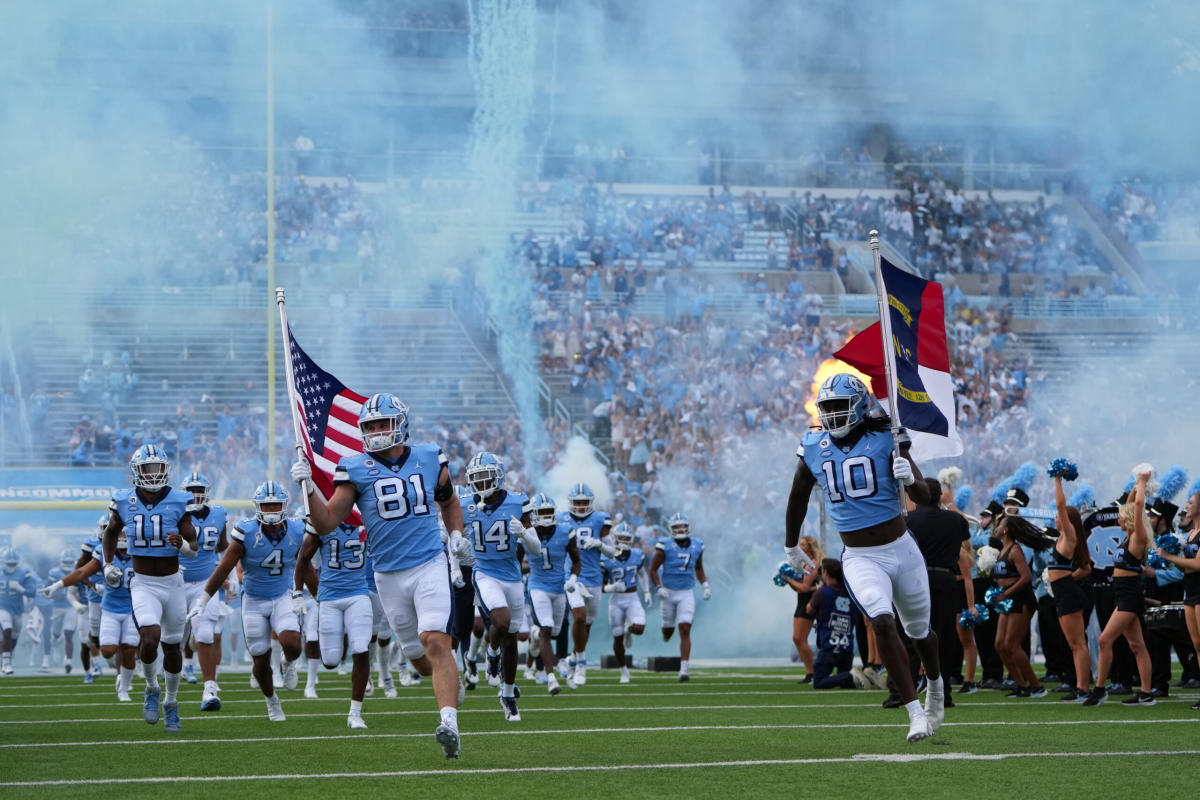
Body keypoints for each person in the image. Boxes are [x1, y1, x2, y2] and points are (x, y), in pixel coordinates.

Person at [290, 393, 468, 759]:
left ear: (401, 424)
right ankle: (450, 679)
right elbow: (325, 522)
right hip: (387, 574)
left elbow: (448, 500)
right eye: (369, 426)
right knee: (419, 656)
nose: (376, 432)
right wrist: (308, 488)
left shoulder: (429, 456)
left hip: (429, 563)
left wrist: (456, 536)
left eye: (382, 424)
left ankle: (449, 724)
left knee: (436, 641)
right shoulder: (355, 468)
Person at [785, 373, 942, 743]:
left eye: (840, 406)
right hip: (859, 556)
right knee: (882, 623)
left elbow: (923, 497)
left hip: (902, 549)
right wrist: (790, 543)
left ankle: (935, 686)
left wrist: (910, 479)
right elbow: (798, 496)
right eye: (828, 408)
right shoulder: (812, 444)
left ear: (858, 406)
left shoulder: (886, 436)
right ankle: (913, 712)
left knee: (920, 632)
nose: (833, 415)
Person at [189, 480, 311, 722]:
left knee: (293, 643)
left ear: (285, 505)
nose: (272, 510)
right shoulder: (246, 531)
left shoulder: (297, 529)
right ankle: (272, 702)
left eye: (276, 504)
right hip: (254, 600)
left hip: (281, 595)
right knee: (260, 660)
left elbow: (305, 565)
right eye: (266, 506)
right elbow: (223, 568)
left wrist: (307, 594)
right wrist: (203, 600)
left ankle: (288, 663)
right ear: (258, 507)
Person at [102, 444, 198, 733]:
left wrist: (180, 544)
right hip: (143, 583)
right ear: (136, 472)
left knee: (172, 646)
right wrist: (108, 564)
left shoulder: (180, 500)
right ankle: (151, 687)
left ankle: (171, 702)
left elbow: (193, 548)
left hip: (173, 583)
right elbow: (109, 533)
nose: (154, 474)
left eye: (158, 468)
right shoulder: (123, 500)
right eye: (148, 469)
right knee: (149, 637)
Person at [460, 451, 538, 721]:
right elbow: (451, 534)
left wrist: (525, 535)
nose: (481, 484)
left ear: (498, 476)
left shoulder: (518, 502)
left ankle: (506, 693)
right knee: (501, 622)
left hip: (512, 576)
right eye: (476, 479)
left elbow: (536, 549)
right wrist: (456, 549)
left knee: (511, 638)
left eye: (485, 478)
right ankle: (491, 654)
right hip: (484, 572)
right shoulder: (464, 504)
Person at [1084, 469, 1155, 706]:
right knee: (1137, 645)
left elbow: (1137, 506)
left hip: (1129, 596)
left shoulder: (1137, 537)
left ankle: (1100, 689)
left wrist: (1143, 484)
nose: (1117, 517)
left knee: (1105, 640)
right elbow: (1130, 502)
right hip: (1122, 594)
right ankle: (1146, 693)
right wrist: (1135, 485)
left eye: (1120, 515)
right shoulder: (1126, 538)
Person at [40, 530, 138, 701]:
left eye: (125, 545)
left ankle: (123, 688)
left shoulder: (141, 554)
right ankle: (110, 669)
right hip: (110, 608)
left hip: (132, 608)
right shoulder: (103, 554)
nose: (124, 550)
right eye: (120, 546)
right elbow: (80, 573)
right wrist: (57, 586)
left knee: (129, 648)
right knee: (107, 651)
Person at [294, 521, 373, 728]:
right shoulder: (323, 521)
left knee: (361, 647)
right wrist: (297, 591)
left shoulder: (368, 517)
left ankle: (355, 714)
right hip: (328, 596)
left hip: (358, 593)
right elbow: (303, 557)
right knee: (330, 661)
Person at [906, 476, 969, 701]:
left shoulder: (908, 520)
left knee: (912, 635)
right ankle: (944, 692)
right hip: (946, 580)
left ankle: (905, 691)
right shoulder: (954, 520)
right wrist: (951, 503)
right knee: (945, 637)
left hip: (916, 581)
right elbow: (965, 529)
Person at [179, 472, 230, 711]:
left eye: (199, 490)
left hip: (205, 582)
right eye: (191, 491)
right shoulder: (175, 512)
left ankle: (209, 689)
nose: (195, 495)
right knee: (169, 636)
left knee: (207, 633)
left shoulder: (218, 514)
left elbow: (223, 547)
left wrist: (229, 575)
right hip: (175, 581)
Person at [525, 492, 581, 695]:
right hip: (538, 587)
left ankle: (534, 634)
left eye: (549, 511)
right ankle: (551, 678)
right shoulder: (527, 534)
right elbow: (515, 560)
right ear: (534, 514)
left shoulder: (566, 532)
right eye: (542, 512)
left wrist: (573, 579)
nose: (546, 515)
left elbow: (576, 560)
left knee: (555, 632)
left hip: (559, 589)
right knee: (547, 630)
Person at [560, 482, 615, 687]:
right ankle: (581, 664)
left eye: (584, 502)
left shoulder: (600, 519)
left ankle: (572, 658)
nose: (581, 506)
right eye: (577, 502)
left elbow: (613, 552)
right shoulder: (561, 519)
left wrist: (599, 543)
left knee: (586, 625)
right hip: (572, 576)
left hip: (594, 577)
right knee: (580, 616)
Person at [991, 512, 1049, 697]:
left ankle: (1036, 686)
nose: (997, 527)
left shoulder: (1015, 550)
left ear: (1006, 530)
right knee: (1000, 644)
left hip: (1021, 599)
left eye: (1000, 524)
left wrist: (1006, 592)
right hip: (1007, 600)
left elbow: (1026, 578)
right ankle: (1020, 685)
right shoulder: (1002, 550)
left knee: (1012, 645)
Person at [649, 511, 710, 682]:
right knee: (668, 631)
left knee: (684, 628)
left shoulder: (697, 544)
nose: (680, 529)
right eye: (677, 527)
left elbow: (698, 567)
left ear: (688, 527)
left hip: (686, 592)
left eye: (682, 526)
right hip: (668, 592)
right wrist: (658, 587)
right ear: (671, 529)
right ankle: (667, 632)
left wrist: (705, 584)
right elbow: (653, 569)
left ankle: (683, 670)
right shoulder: (665, 545)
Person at [1050, 472, 1094, 701]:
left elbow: (1060, 504)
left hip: (1067, 593)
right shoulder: (1062, 538)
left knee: (1078, 643)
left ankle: (1083, 688)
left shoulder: (1069, 536)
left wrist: (1057, 480)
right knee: (1074, 643)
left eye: (1060, 517)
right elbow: (1084, 568)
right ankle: (1081, 686)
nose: (1056, 518)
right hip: (1064, 591)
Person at [1160, 485, 1200, 708]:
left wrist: (1170, 558)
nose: (1186, 507)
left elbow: (1197, 564)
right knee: (1197, 644)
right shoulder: (1190, 534)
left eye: (1191, 503)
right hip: (1190, 591)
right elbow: (1188, 568)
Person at [601, 522, 650, 684]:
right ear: (614, 539)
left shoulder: (637, 554)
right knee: (617, 638)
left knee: (640, 627)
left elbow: (642, 574)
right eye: (620, 537)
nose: (623, 541)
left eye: (626, 538)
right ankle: (624, 671)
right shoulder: (607, 557)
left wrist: (648, 591)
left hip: (632, 597)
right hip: (616, 600)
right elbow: (599, 586)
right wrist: (611, 587)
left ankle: (629, 630)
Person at [806, 559, 861, 688]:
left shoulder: (822, 592)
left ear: (825, 572)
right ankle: (851, 675)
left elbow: (808, 610)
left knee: (818, 682)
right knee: (846, 684)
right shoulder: (851, 592)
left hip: (829, 646)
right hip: (847, 647)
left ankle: (851, 675)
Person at [783, 536, 822, 684]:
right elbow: (798, 589)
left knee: (801, 638)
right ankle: (810, 672)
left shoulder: (813, 564)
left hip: (809, 601)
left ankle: (813, 672)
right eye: (800, 545)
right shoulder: (804, 563)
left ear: (810, 547)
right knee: (797, 638)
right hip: (802, 600)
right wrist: (789, 581)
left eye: (804, 545)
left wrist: (788, 579)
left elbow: (805, 588)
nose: (801, 547)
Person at [0, 547, 37, 674]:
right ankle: (6, 663)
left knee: (14, 637)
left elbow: (32, 592)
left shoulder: (24, 573)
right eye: (8, 563)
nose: (11, 566)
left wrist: (21, 589)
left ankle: (6, 657)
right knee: (7, 630)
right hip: (2, 607)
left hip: (18, 609)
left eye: (13, 564)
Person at [45, 549, 80, 673]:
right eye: (66, 561)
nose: (68, 564)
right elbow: (47, 591)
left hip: (71, 607)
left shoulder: (78, 571)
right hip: (57, 607)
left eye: (70, 562)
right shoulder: (53, 572)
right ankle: (54, 646)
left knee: (68, 634)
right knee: (56, 634)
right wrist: (55, 596)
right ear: (61, 561)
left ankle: (68, 661)